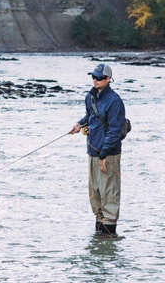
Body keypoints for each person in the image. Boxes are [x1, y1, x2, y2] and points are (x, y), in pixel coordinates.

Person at [68, 63, 126, 237]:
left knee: (109, 192)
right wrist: (80, 124)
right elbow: (90, 116)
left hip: (108, 154)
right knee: (95, 193)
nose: (95, 80)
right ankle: (99, 235)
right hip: (92, 152)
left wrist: (104, 155)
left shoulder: (115, 101)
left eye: (99, 77)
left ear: (108, 79)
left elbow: (115, 130)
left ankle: (109, 235)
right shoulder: (90, 97)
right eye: (94, 76)